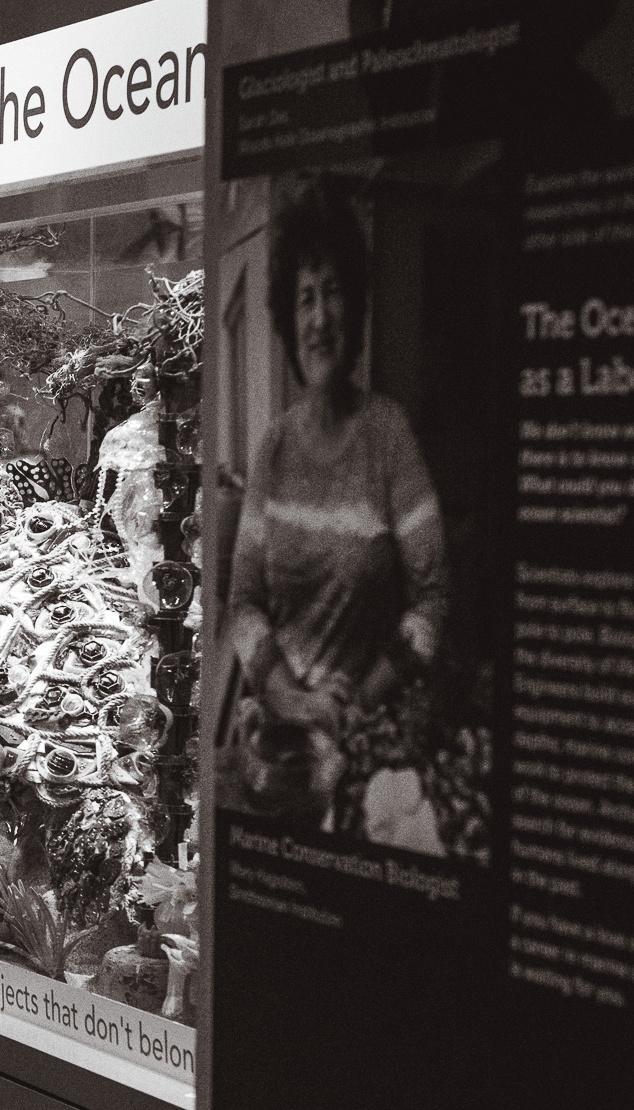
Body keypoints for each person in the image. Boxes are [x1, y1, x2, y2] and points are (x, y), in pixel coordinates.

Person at [227, 181, 449, 749]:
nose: (319, 317)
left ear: (353, 305)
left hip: (365, 733)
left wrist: (353, 701)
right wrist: (290, 700)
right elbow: (244, 603)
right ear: (287, 320)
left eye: (332, 292)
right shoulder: (274, 446)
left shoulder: (389, 434)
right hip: (278, 732)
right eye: (304, 299)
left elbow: (433, 600)